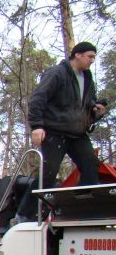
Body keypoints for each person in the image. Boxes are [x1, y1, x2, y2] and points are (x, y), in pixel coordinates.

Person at [16, 41, 108, 223]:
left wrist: (96, 111)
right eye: (90, 56)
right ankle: (24, 214)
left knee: (91, 167)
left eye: (94, 57)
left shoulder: (87, 78)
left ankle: (82, 209)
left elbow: (86, 105)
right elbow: (37, 99)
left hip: (78, 133)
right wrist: (36, 126)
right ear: (78, 55)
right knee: (48, 174)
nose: (92, 61)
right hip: (54, 132)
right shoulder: (57, 73)